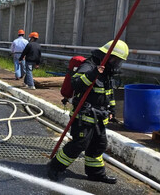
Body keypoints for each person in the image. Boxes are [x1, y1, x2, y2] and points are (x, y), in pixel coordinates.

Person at [47, 40, 129, 184]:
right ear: (108, 56)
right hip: (84, 117)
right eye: (116, 60)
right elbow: (76, 84)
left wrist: (112, 110)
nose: (117, 65)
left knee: (98, 146)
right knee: (79, 145)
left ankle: (95, 173)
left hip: (99, 118)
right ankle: (55, 167)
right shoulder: (89, 66)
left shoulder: (107, 73)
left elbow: (109, 93)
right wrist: (93, 74)